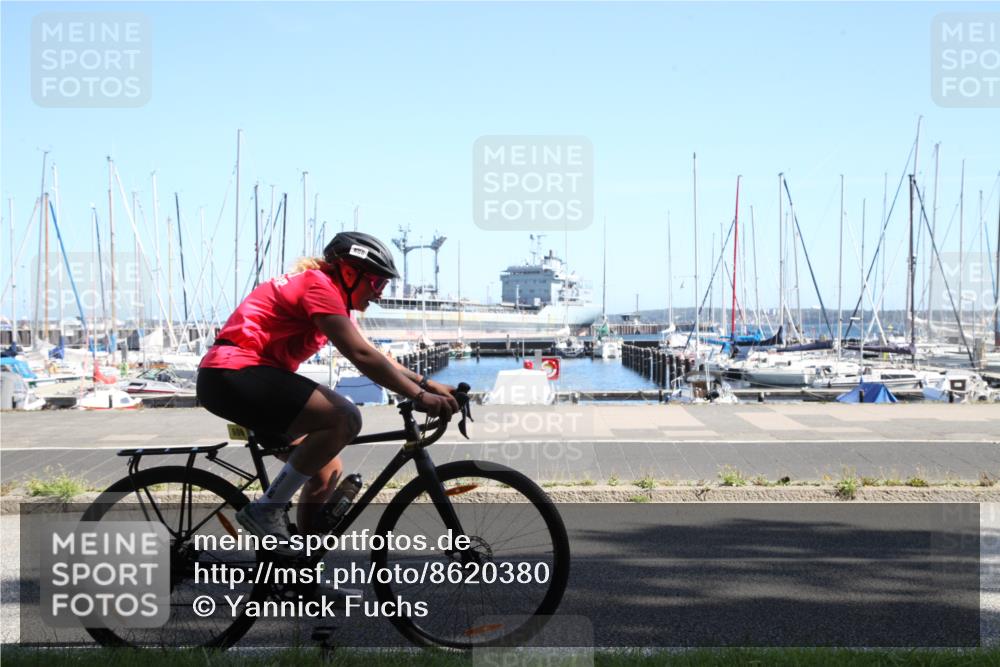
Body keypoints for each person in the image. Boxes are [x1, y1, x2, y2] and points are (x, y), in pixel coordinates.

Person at [196, 231, 459, 554]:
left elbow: (371, 351)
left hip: (238, 379)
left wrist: (426, 384)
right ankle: (267, 509)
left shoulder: (328, 294)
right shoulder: (317, 286)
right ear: (350, 273)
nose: (378, 295)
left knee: (326, 471)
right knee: (345, 417)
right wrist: (420, 398)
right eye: (377, 283)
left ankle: (305, 577)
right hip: (234, 373)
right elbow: (360, 356)